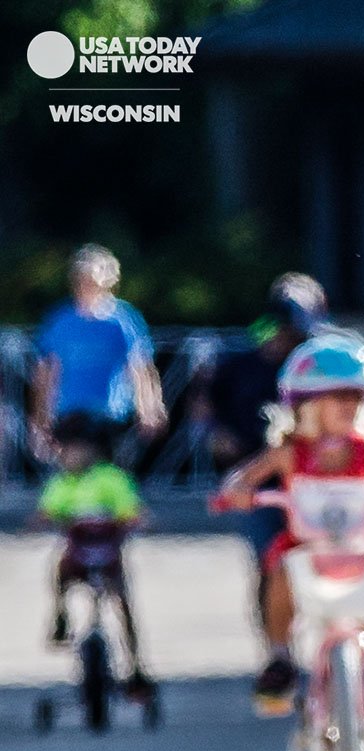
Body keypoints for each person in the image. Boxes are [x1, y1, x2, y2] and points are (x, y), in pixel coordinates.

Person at [216, 333, 364, 751]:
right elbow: (242, 478)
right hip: (307, 551)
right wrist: (239, 491)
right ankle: (280, 656)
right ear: (306, 404)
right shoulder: (289, 453)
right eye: (339, 397)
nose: (350, 406)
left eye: (356, 397)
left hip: (358, 553)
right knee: (280, 567)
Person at [193, 273, 330, 633]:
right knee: (270, 560)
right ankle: (276, 646)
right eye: (286, 330)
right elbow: (203, 407)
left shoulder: (322, 363)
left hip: (316, 478)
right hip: (259, 480)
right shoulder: (238, 363)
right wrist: (215, 434)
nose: (291, 340)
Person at [36, 413, 154, 697]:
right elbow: (47, 511)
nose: (70, 455)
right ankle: (60, 614)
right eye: (66, 449)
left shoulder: (112, 479)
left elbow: (132, 510)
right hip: (78, 552)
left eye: (77, 448)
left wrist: (136, 520)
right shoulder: (62, 483)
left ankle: (135, 663)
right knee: (60, 571)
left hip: (107, 552)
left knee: (123, 601)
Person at [31, 244, 165, 459]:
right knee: (75, 464)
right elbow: (47, 371)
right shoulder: (60, 320)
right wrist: (40, 419)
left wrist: (149, 408)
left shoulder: (124, 320)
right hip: (70, 411)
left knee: (104, 467)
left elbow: (139, 367)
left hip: (111, 413)